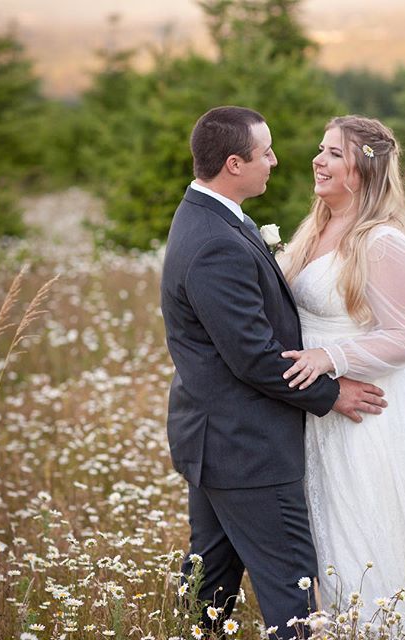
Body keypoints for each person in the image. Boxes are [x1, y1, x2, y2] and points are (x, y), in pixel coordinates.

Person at [160, 106, 388, 636]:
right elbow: (254, 357)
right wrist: (332, 394)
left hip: (216, 441)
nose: (277, 161)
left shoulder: (210, 215)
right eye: (266, 153)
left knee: (207, 588)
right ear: (234, 163)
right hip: (247, 450)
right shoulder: (215, 241)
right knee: (294, 592)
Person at [279, 115, 405, 637]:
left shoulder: (383, 242)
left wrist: (328, 359)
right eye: (321, 149)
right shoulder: (314, 226)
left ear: (364, 169)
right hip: (320, 406)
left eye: (334, 154)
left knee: (364, 533)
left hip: (367, 411)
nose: (318, 160)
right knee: (328, 535)